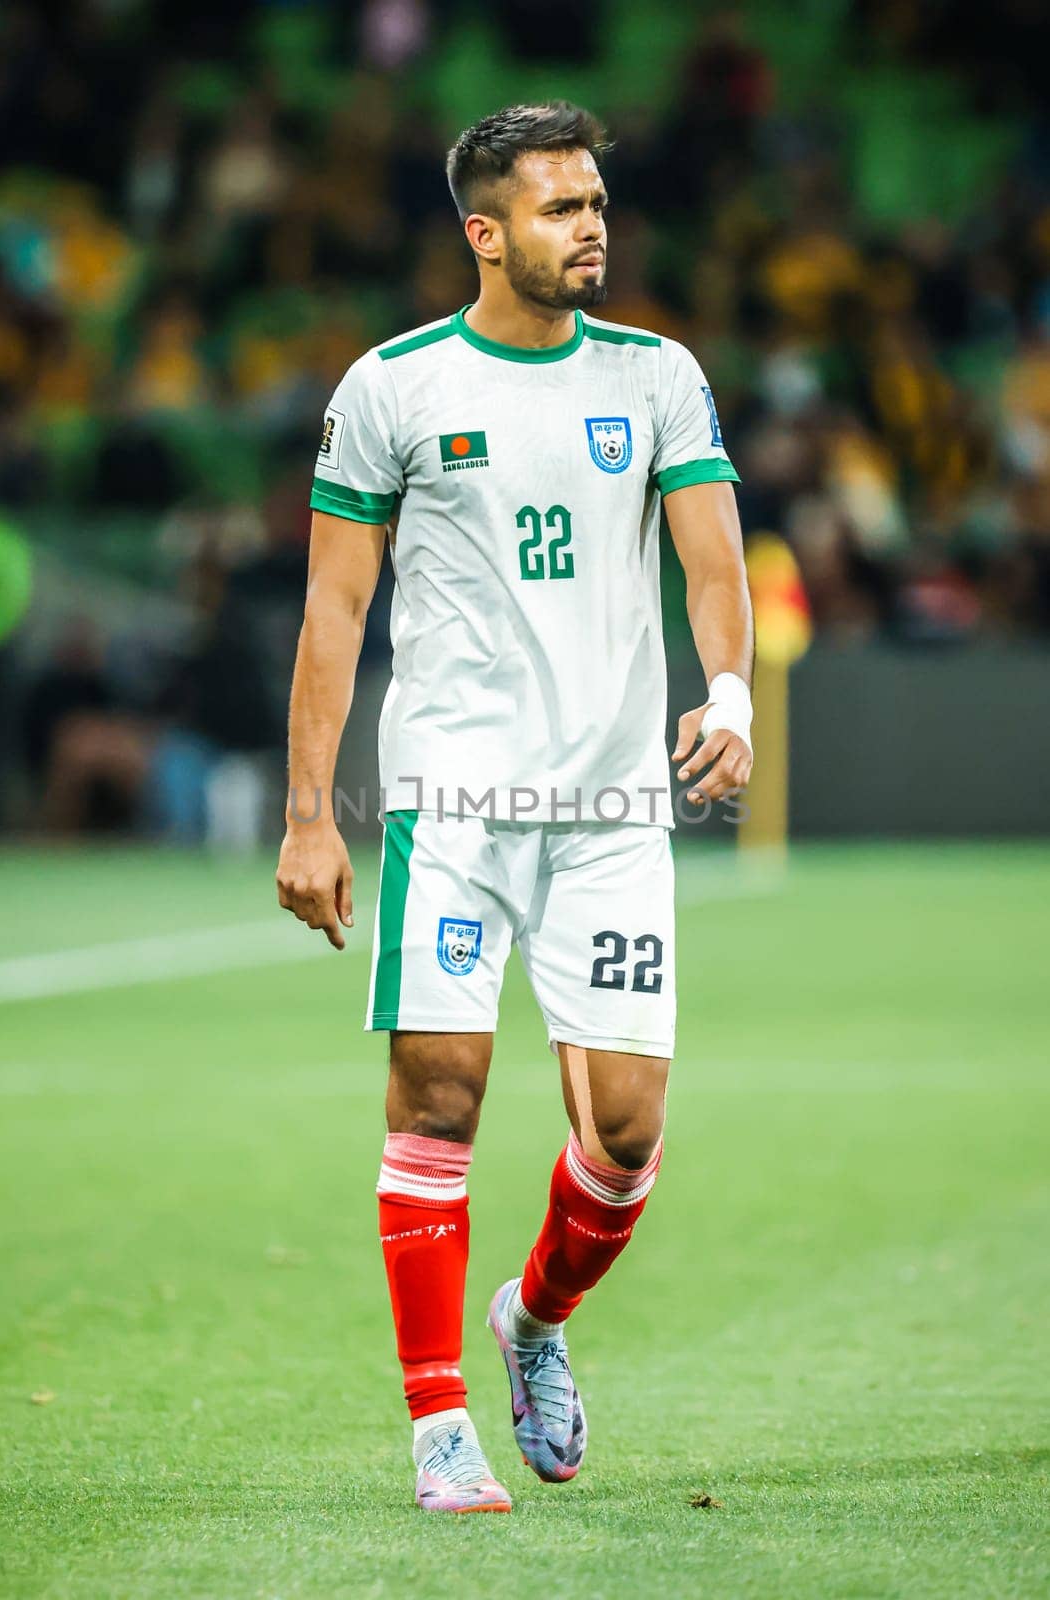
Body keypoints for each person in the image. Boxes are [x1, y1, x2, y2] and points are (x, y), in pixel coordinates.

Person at [276, 101, 754, 1514]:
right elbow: (334, 608)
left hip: (611, 812)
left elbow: (714, 563)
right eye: (560, 207)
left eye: (597, 201)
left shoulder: (660, 375)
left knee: (621, 1139)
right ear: (484, 233)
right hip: (454, 804)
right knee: (441, 1095)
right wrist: (314, 809)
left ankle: (534, 1321)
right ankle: (437, 1428)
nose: (592, 224)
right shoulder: (393, 387)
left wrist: (727, 694)